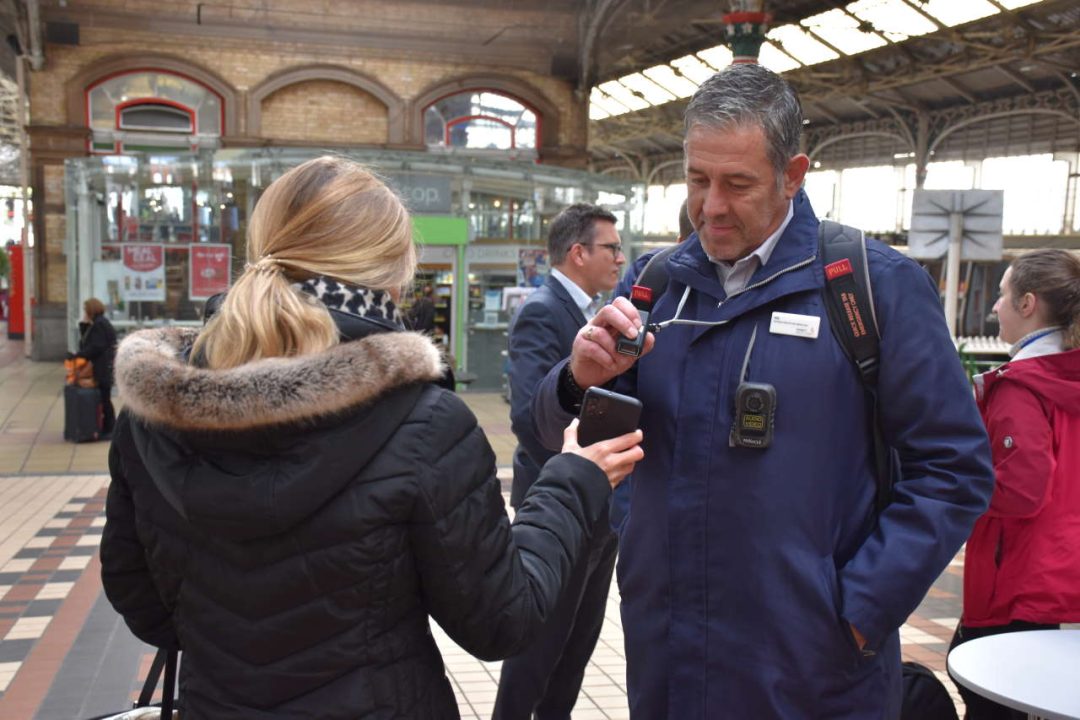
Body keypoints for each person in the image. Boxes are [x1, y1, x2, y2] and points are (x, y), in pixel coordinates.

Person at [100, 156, 643, 720]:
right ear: (392, 271)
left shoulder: (155, 412)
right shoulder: (424, 423)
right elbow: (502, 619)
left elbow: (143, 603)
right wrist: (572, 481)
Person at [530, 63, 994, 718]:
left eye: (737, 183)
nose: (711, 206)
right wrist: (578, 379)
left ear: (793, 174)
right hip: (671, 653)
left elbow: (954, 468)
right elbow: (562, 436)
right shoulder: (655, 286)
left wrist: (859, 612)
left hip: (815, 666)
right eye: (697, 179)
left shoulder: (870, 287)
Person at [495, 203, 626, 720]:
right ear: (578, 253)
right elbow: (531, 420)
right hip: (556, 510)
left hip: (597, 508)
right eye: (611, 249)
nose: (620, 259)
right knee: (539, 648)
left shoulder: (598, 313)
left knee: (576, 648)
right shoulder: (543, 311)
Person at [949, 249, 1080, 719]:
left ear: (1028, 304)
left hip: (1019, 584)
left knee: (984, 687)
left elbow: (1022, 489)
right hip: (1065, 582)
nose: (993, 307)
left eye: (1002, 295)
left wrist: (956, 488)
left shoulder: (1021, 388)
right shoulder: (1067, 381)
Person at [76, 297, 117, 437]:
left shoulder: (99, 324)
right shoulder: (98, 323)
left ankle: (110, 427)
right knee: (104, 397)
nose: (84, 312)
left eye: (85, 309)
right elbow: (86, 342)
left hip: (103, 368)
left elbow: (95, 346)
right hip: (104, 368)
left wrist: (79, 355)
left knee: (105, 399)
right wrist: (84, 325)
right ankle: (108, 426)